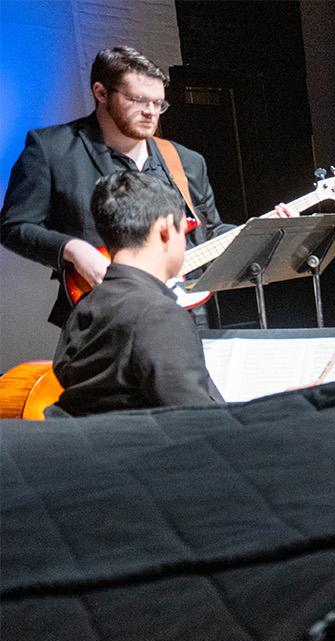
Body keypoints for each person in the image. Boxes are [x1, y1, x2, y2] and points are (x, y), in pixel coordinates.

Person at [3, 47, 230, 327]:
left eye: (159, 104)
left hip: (186, 316)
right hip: (103, 316)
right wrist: (72, 249)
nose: (151, 113)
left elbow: (211, 230)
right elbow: (14, 225)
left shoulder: (187, 161)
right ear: (101, 93)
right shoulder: (52, 150)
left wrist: (264, 232)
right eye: (138, 100)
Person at [50, 172, 221, 415]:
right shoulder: (159, 314)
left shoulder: (83, 308)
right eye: (184, 231)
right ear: (164, 230)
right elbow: (196, 421)